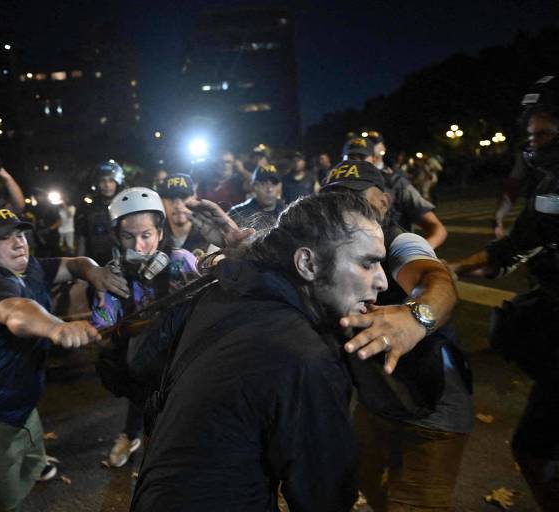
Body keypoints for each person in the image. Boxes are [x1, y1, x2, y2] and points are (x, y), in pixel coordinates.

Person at [130, 192, 387, 511]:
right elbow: (325, 496)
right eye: (368, 263)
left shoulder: (220, 295)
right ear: (306, 263)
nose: (383, 281)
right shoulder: (303, 356)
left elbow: (138, 365)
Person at [0, 206, 129, 511]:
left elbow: (75, 264)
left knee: (29, 467)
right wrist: (57, 328)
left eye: (20, 234)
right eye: (4, 238)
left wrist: (96, 273)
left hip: (17, 403)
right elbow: (16, 312)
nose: (18, 242)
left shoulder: (28, 267)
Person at [322, 160, 473, 512]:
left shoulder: (401, 241)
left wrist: (415, 317)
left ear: (385, 203)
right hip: (376, 404)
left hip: (431, 409)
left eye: (359, 198)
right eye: (337, 201)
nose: (347, 210)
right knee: (363, 485)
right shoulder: (329, 251)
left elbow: (438, 283)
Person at [447, 76, 559, 510]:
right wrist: (451, 268)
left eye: (544, 134)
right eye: (532, 136)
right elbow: (514, 246)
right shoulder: (548, 184)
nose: (535, 145)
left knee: (532, 449)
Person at [91, 187, 200, 468]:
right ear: (117, 236)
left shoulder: (182, 263)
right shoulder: (111, 278)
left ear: (161, 234)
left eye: (146, 235)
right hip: (140, 364)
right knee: (141, 394)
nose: (138, 247)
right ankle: (130, 435)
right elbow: (101, 331)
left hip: (182, 362)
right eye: (129, 236)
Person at [362, 132, 448, 249]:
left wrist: (416, 253)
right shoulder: (345, 182)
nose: (367, 146)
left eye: (373, 143)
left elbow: (435, 226)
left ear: (382, 148)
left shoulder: (395, 177)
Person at [75, 160, 125, 266]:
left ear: (118, 182)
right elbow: (82, 239)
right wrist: (80, 271)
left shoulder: (126, 206)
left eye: (111, 181)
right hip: (95, 265)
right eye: (103, 181)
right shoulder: (88, 209)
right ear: (97, 183)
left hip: (123, 264)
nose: (107, 185)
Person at [158, 173, 210, 255]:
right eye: (171, 198)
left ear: (194, 197)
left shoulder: (209, 235)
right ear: (162, 201)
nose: (178, 205)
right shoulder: (156, 238)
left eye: (183, 197)